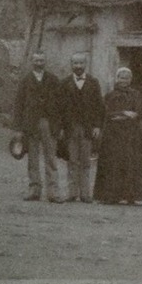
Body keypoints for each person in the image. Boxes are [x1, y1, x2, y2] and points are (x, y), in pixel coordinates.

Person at [12, 52, 62, 202]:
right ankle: (34, 189)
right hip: (30, 124)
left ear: (45, 61)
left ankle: (53, 192)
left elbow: (61, 105)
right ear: (31, 61)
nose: (39, 63)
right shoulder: (25, 81)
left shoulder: (53, 79)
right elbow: (18, 105)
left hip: (48, 122)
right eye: (36, 60)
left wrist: (58, 126)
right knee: (32, 158)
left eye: (42, 60)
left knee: (51, 157)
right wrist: (19, 129)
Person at [95, 66, 142, 205]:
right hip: (113, 136)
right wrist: (124, 113)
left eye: (126, 78)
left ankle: (130, 196)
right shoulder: (110, 95)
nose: (123, 81)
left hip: (131, 136)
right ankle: (112, 196)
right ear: (117, 79)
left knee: (130, 163)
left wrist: (123, 115)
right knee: (113, 164)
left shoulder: (136, 95)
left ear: (130, 80)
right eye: (121, 78)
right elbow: (107, 113)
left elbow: (138, 112)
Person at [58, 53, 104, 203]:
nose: (78, 66)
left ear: (85, 64)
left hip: (87, 128)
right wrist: (61, 128)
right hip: (70, 128)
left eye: (81, 63)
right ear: (71, 64)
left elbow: (99, 106)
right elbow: (60, 108)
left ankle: (85, 194)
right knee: (72, 160)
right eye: (75, 63)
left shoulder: (93, 82)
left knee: (85, 161)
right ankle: (72, 193)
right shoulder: (64, 83)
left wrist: (97, 125)